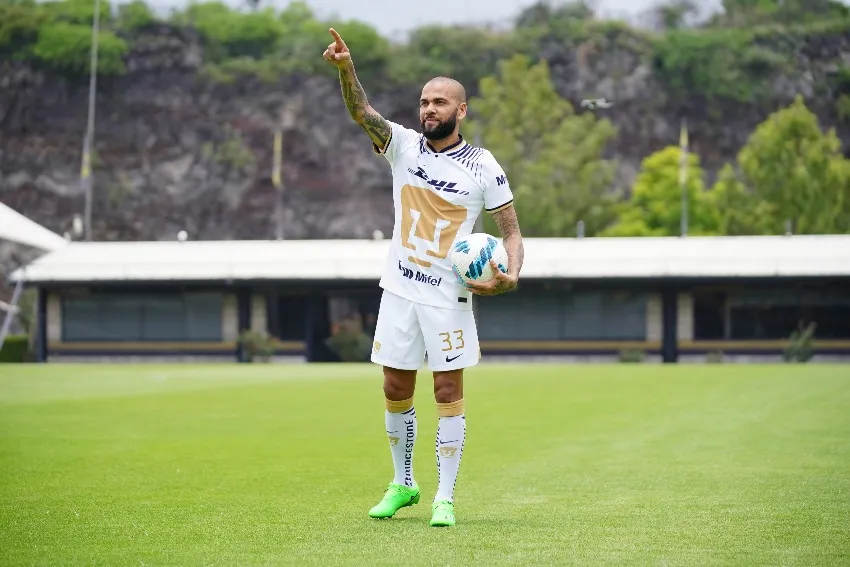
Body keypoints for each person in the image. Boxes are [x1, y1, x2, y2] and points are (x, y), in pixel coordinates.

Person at [322, 28, 525, 527]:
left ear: (461, 111)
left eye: (440, 102)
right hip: (398, 290)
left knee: (448, 393)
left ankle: (445, 497)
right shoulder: (403, 147)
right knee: (394, 386)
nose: (429, 109)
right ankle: (403, 483)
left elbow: (512, 234)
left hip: (447, 298)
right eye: (424, 102)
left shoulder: (483, 166)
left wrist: (511, 276)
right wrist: (347, 69)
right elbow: (361, 113)